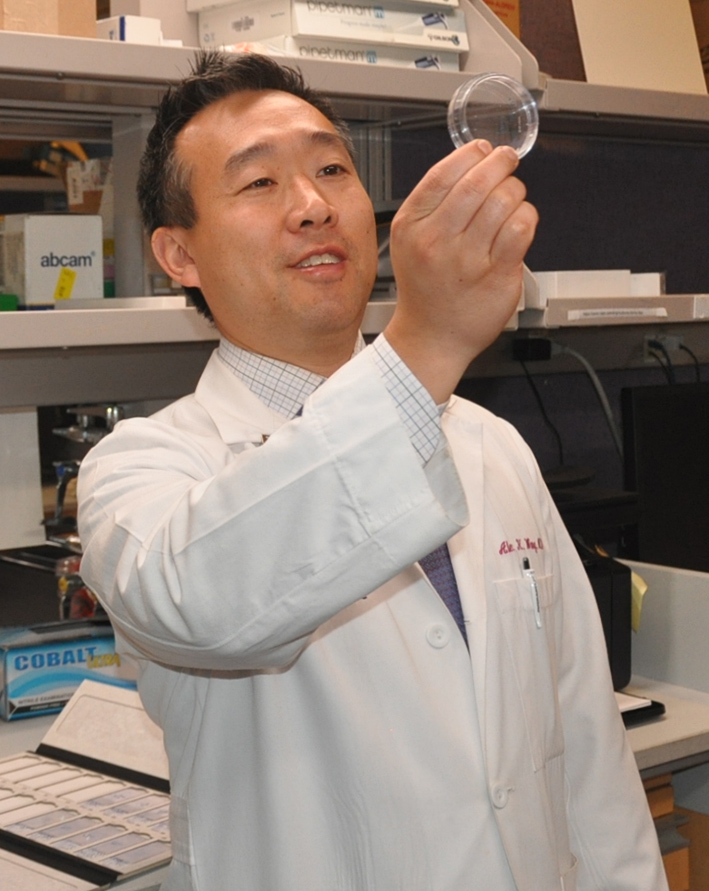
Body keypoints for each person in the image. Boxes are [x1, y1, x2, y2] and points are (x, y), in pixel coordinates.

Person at [77, 51, 667, 891]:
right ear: (179, 254)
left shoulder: (492, 444)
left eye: (331, 170)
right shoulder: (141, 471)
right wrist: (424, 344)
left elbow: (585, 744)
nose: (313, 206)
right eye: (259, 183)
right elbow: (204, 598)